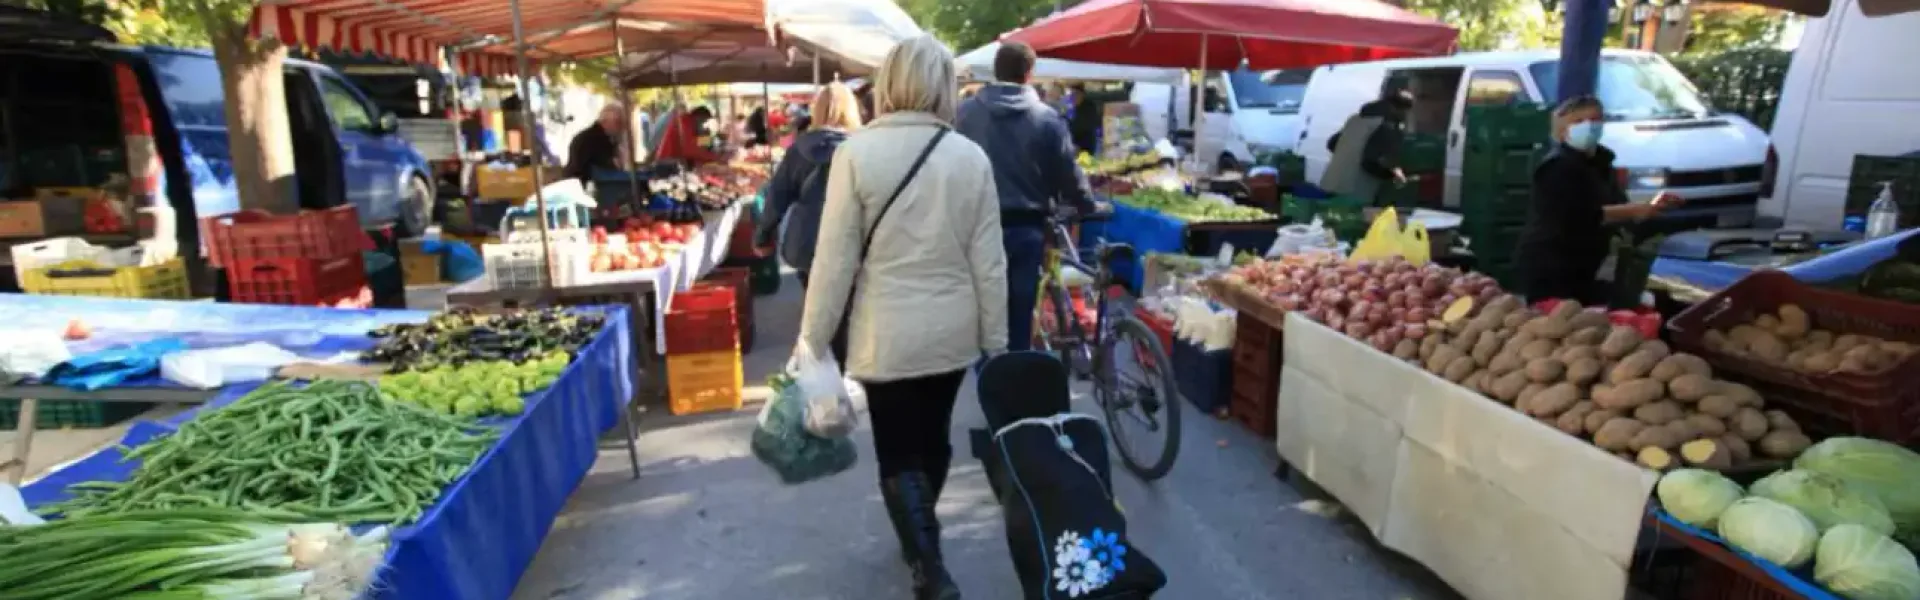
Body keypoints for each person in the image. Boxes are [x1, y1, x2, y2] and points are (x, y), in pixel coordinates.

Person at [797, 34, 1004, 600]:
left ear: (889, 83)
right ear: (944, 88)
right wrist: (997, 341)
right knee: (934, 439)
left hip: (884, 332)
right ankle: (923, 539)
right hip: (951, 331)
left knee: (895, 445)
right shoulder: (971, 158)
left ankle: (927, 561)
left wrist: (811, 340)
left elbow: (833, 260)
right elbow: (990, 263)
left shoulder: (856, 155)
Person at [954, 40, 1095, 353]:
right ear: (1030, 74)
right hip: (1027, 228)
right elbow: (1067, 173)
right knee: (1020, 312)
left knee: (980, 308)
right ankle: (1014, 377)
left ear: (995, 70)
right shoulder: (1047, 119)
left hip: (976, 226)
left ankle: (987, 377)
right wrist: (1087, 205)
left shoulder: (964, 114)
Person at [1516, 95, 1683, 304]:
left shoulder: (1601, 163)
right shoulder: (1556, 167)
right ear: (1562, 129)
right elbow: (1579, 217)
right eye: (1578, 121)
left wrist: (1652, 206)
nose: (1589, 126)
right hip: (1553, 266)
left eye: (1595, 120)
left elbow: (1617, 205)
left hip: (1586, 264)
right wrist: (1636, 210)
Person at [756, 82, 862, 296]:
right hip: (853, 243)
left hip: (809, 243)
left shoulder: (798, 150)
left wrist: (763, 236)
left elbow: (777, 197)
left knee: (816, 308)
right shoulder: (864, 148)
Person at [1319, 89, 1414, 203]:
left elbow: (1331, 144)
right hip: (1355, 189)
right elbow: (1373, 160)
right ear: (1400, 108)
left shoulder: (1355, 119)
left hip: (1332, 182)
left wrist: (1348, 154)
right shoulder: (1387, 125)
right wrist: (1393, 175)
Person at [562, 104, 628, 183]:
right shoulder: (596, 140)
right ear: (605, 122)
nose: (621, 128)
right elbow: (608, 166)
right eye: (618, 123)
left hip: (577, 182)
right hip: (586, 184)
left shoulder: (595, 136)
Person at [653, 105, 721, 166]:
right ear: (699, 117)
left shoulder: (689, 122)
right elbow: (690, 149)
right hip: (667, 162)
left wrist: (709, 139)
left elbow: (695, 142)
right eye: (704, 121)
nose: (703, 124)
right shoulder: (684, 123)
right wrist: (715, 158)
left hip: (676, 159)